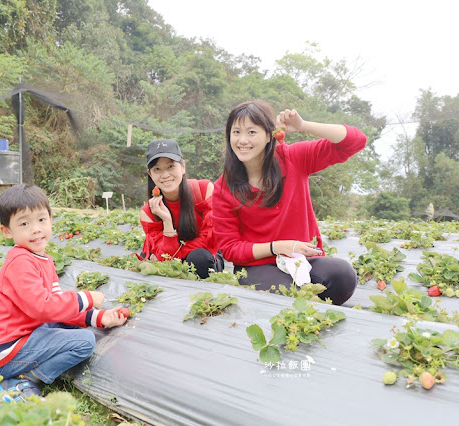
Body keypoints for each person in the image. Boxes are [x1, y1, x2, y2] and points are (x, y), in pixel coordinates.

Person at [0, 183, 127, 401]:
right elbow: (44, 308)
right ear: (7, 231)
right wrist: (86, 298)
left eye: (41, 220)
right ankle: (25, 378)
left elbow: (57, 307)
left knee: (63, 322)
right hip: (5, 351)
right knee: (85, 342)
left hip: (24, 337)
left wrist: (98, 316)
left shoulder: (44, 260)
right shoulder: (20, 262)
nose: (36, 229)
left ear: (51, 219)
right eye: (24, 223)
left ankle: (23, 374)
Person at [212, 100, 367, 305]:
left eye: (251, 132)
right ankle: (301, 301)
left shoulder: (293, 158)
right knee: (284, 295)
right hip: (256, 265)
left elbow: (355, 141)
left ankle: (304, 297)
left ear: (269, 135)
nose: (242, 140)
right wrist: (278, 246)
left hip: (302, 261)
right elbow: (231, 248)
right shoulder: (224, 188)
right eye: (236, 132)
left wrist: (303, 126)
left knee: (343, 276)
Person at [139, 138, 224, 279]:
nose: (165, 175)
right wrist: (167, 222)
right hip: (172, 261)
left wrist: (176, 257)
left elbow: (210, 240)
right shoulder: (148, 212)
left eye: (171, 166)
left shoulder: (204, 190)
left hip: (205, 256)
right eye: (157, 169)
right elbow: (166, 260)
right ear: (150, 174)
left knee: (199, 259)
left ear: (183, 167)